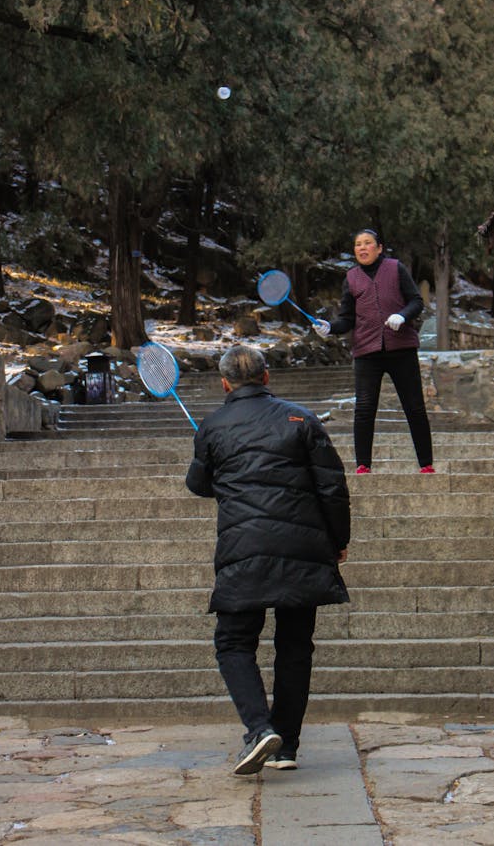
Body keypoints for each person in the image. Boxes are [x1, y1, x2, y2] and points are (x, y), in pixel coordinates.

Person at [186, 344, 351, 776]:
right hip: (303, 546)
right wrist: (338, 541)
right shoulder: (301, 419)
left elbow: (199, 484)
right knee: (294, 646)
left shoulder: (212, 426)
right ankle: (286, 745)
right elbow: (332, 486)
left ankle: (259, 729)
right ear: (266, 376)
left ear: (224, 383)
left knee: (233, 642)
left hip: (244, 548)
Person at [316, 228, 435, 475]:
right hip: (367, 351)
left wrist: (402, 316)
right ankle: (363, 465)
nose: (362, 247)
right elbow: (347, 319)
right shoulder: (351, 278)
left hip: (402, 348)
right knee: (365, 408)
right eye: (358, 244)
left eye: (367, 243)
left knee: (414, 407)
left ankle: (426, 464)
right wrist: (330, 328)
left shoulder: (395, 268)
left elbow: (416, 301)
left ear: (379, 248)